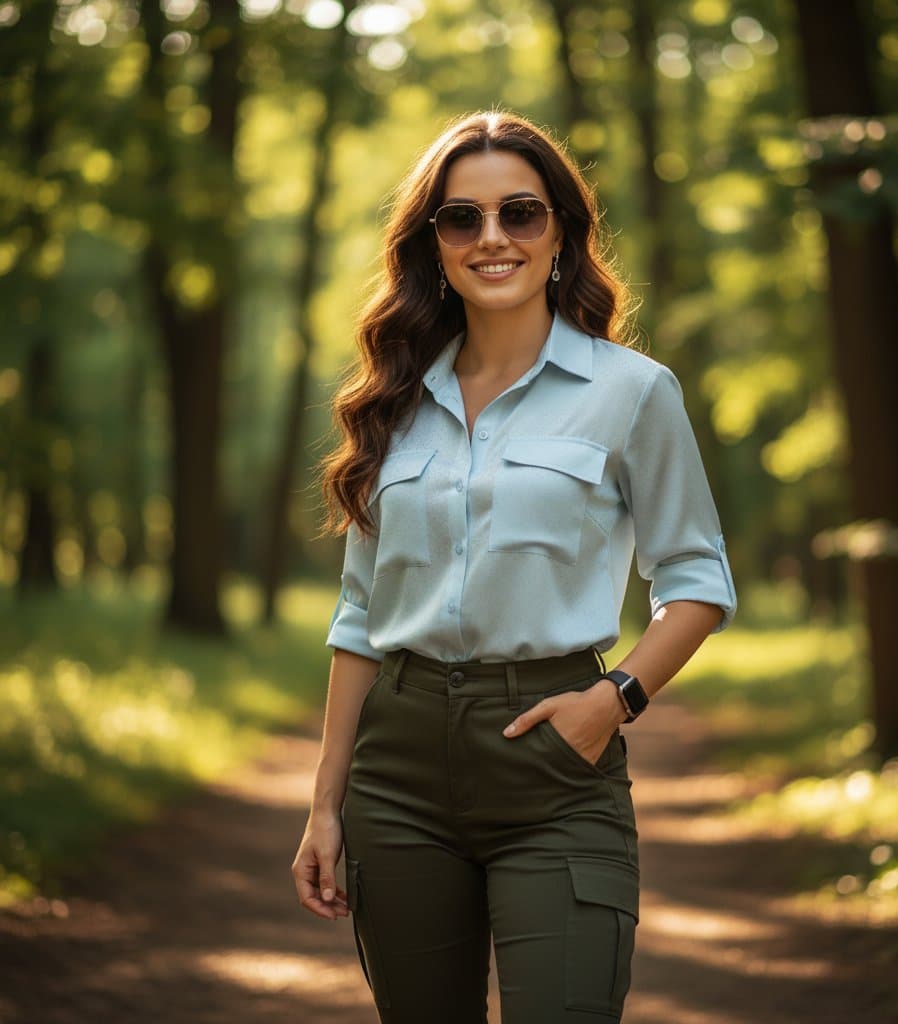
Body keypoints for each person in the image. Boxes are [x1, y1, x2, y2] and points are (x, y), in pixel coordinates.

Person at [291, 109, 737, 1024]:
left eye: (520, 213)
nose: (492, 238)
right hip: (398, 774)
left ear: (562, 235)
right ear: (434, 244)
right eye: (463, 218)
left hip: (554, 761)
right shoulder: (393, 402)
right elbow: (359, 618)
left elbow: (696, 580)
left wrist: (614, 700)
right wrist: (324, 805)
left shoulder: (632, 393)